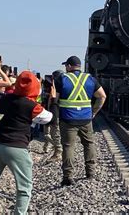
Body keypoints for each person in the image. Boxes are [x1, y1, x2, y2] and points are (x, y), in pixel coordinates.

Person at [0, 71, 54, 214]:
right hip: (17, 148)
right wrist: (53, 101)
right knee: (24, 188)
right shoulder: (31, 105)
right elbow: (48, 118)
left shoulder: (4, 100)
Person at [52, 56, 106, 186]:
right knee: (89, 144)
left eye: (66, 66)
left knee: (68, 146)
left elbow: (55, 99)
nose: (65, 68)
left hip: (68, 119)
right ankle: (90, 172)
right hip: (86, 119)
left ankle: (68, 176)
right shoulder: (90, 78)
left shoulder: (62, 79)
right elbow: (102, 96)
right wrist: (93, 112)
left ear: (70, 66)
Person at [43, 70, 64, 161]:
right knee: (52, 133)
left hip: (54, 112)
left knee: (54, 133)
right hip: (53, 112)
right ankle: (53, 148)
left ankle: (58, 151)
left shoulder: (57, 88)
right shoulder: (63, 87)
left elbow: (53, 100)